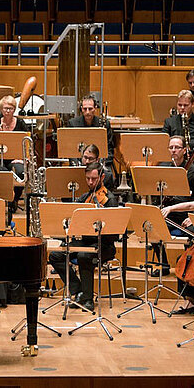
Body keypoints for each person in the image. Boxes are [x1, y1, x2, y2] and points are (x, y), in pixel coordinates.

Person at [48, 162, 118, 312]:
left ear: (102, 177)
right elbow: (72, 211)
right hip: (83, 242)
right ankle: (78, 290)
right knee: (55, 256)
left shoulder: (109, 200)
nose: (90, 182)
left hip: (103, 245)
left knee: (84, 255)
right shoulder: (85, 197)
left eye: (94, 179)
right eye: (88, 179)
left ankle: (87, 299)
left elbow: (113, 235)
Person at [153, 136, 194, 277]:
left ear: (184, 150)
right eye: (171, 147)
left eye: (177, 147)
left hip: (186, 215)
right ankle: (163, 265)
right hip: (168, 214)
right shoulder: (164, 169)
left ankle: (187, 265)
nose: (174, 150)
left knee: (193, 230)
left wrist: (193, 217)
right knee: (151, 227)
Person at [163, 89, 194, 176]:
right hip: (177, 158)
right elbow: (163, 143)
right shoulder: (169, 122)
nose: (182, 108)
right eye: (180, 105)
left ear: (192, 104)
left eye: (186, 105)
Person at [68, 94, 115, 170]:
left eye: (90, 109)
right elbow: (70, 149)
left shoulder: (104, 124)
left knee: (108, 177)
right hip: (80, 163)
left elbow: (109, 149)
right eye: (85, 109)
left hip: (99, 163)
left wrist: (101, 164)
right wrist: (77, 164)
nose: (87, 112)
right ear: (81, 109)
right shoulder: (73, 123)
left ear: (95, 108)